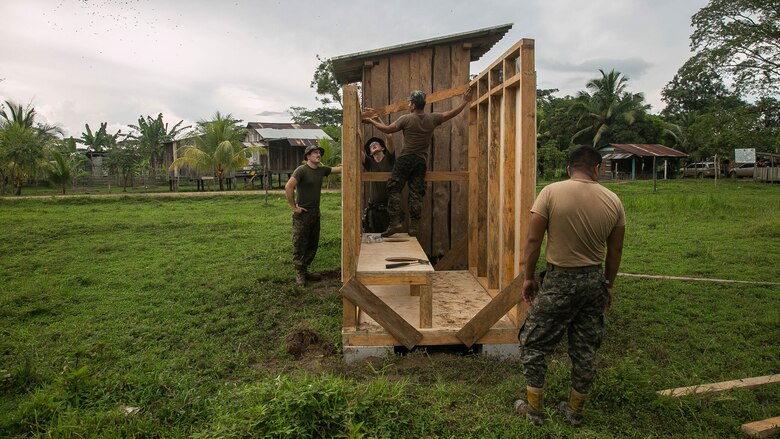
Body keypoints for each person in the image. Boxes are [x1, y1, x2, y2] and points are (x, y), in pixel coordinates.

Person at [514, 145, 625, 427]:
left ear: (569, 168)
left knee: (534, 342)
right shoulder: (614, 201)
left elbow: (533, 241)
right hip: (593, 281)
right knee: (585, 347)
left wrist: (528, 277)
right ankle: (575, 411)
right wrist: (608, 286)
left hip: (559, 281)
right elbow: (615, 252)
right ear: (597, 169)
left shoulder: (550, 192)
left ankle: (534, 408)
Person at [362, 87, 472, 237]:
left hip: (405, 158)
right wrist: (464, 102)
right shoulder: (432, 118)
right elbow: (452, 113)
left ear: (413, 105)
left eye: (409, 102)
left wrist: (370, 121)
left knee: (393, 188)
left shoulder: (405, 119)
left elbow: (387, 130)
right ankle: (413, 226)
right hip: (420, 161)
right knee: (416, 193)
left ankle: (395, 223)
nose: (408, 104)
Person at [284, 144, 342, 286]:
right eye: (315, 153)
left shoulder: (322, 170)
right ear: (308, 156)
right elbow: (288, 186)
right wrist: (294, 207)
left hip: (316, 213)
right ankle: (299, 273)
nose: (318, 155)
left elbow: (340, 169)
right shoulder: (301, 170)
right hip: (303, 214)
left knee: (313, 244)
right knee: (300, 243)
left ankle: (305, 270)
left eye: (319, 152)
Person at [361, 136, 396, 233]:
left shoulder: (389, 159)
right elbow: (357, 152)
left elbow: (389, 137)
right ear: (370, 153)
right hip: (373, 210)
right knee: (374, 240)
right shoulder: (370, 163)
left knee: (388, 241)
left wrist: (376, 121)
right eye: (371, 146)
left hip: (388, 210)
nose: (373, 145)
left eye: (375, 144)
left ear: (383, 148)